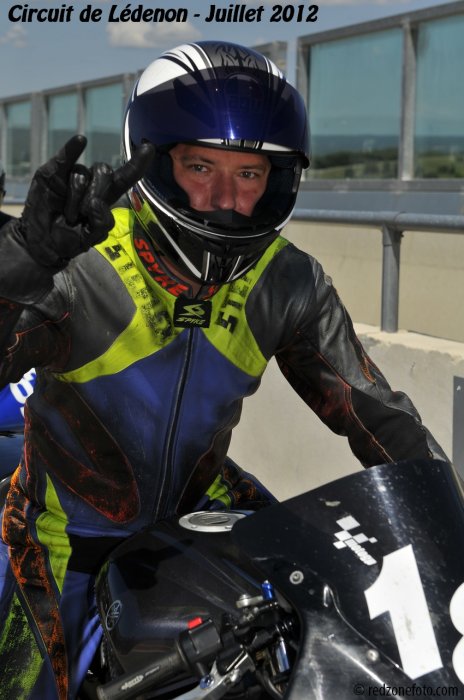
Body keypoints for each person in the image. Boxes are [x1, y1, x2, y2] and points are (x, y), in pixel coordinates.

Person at [0, 41, 448, 699]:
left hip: (206, 511)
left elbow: (376, 415)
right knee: (25, 685)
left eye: (250, 174)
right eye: (200, 166)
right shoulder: (81, 263)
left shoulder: (287, 279)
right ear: (152, 160)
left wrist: (445, 542)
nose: (226, 199)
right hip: (63, 533)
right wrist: (22, 263)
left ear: (279, 179)